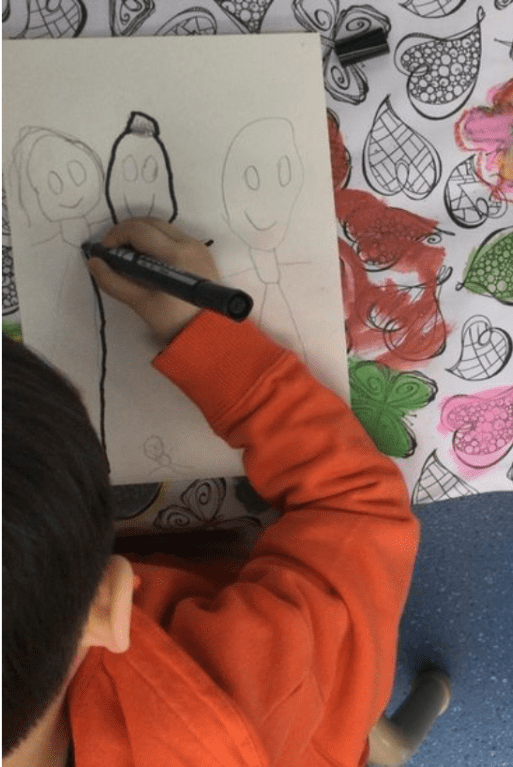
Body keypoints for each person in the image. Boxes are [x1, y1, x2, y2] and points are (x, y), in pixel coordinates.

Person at [2, 218, 420, 767]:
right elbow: (355, 504)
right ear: (106, 602)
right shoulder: (247, 686)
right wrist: (206, 336)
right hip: (300, 703)